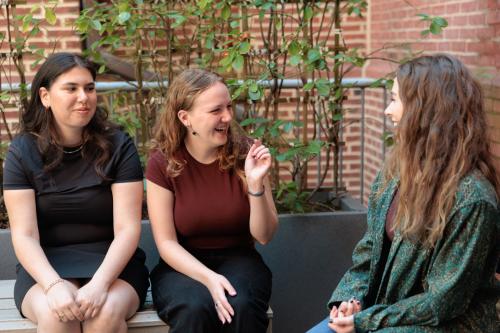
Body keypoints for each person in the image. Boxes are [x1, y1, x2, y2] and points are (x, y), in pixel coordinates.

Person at [307, 54, 500, 333]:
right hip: (385, 313)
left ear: (426, 111)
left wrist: (366, 321)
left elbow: (444, 301)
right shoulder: (393, 175)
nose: (387, 110)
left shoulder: (473, 199)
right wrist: (352, 300)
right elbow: (368, 252)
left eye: (395, 99)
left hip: (445, 325)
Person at [3, 53, 149, 333]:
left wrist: (101, 283)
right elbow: (24, 235)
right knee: (59, 315)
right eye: (71, 88)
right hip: (45, 268)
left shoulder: (119, 145)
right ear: (45, 96)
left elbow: (128, 228)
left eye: (90, 88)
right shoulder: (22, 152)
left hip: (114, 265)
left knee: (103, 315)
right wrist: (54, 285)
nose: (84, 97)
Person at [146, 68, 278, 333]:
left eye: (229, 107)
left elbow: (264, 236)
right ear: (186, 118)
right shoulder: (163, 163)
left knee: (240, 304)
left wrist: (255, 185)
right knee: (195, 306)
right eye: (216, 110)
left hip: (241, 260)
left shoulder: (247, 154)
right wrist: (209, 279)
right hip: (181, 266)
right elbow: (166, 243)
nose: (227, 117)